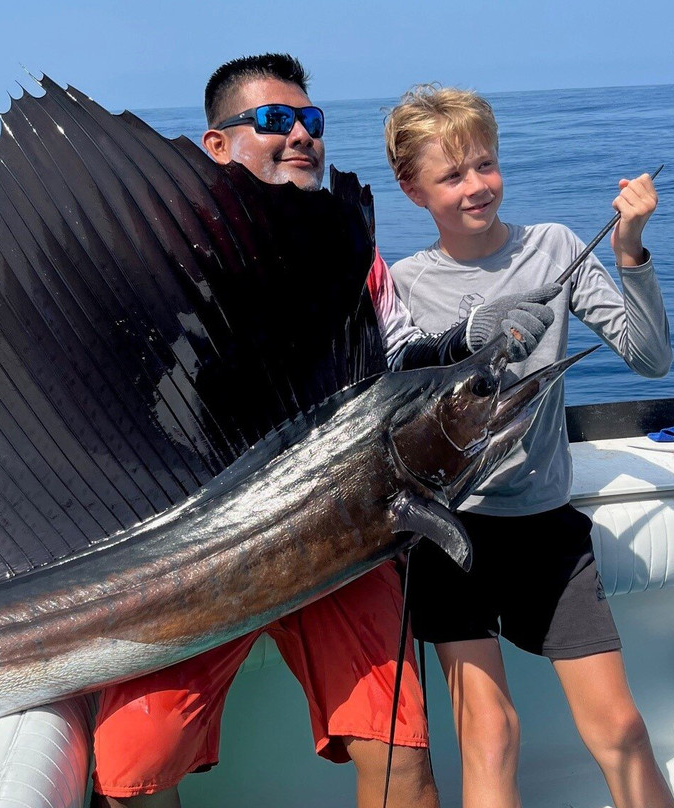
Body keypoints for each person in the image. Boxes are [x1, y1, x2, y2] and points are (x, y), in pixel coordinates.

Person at [90, 55, 553, 808]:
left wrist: (470, 336)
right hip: (198, 556)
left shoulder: (357, 260)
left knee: (403, 756)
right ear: (217, 145)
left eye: (312, 121)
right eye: (275, 121)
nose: (301, 134)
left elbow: (400, 366)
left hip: (341, 538)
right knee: (134, 767)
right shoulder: (166, 267)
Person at [383, 85, 674, 808]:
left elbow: (650, 358)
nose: (476, 186)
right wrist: (473, 336)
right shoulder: (404, 283)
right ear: (412, 188)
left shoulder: (552, 246)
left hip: (546, 530)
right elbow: (399, 389)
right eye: (452, 175)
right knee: (490, 732)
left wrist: (631, 251)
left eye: (485, 164)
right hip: (450, 534)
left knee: (623, 727)